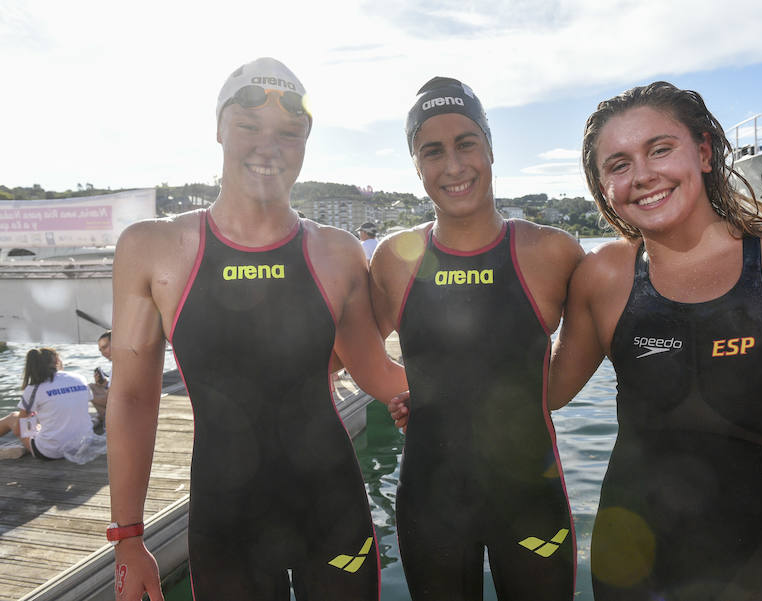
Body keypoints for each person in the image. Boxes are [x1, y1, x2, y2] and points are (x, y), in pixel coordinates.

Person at [549, 81, 762, 600]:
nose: (643, 175)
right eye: (618, 165)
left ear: (705, 152)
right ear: (604, 188)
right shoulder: (603, 276)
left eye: (660, 149)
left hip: (760, 574)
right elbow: (543, 392)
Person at [106, 57, 408, 601]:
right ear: (220, 129)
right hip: (227, 523)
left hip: (332, 509)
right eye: (249, 127)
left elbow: (377, 372)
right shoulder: (153, 249)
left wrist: (480, 397)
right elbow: (130, 397)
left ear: (306, 144)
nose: (268, 147)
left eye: (289, 134)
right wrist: (128, 537)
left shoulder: (335, 252)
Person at [371, 76, 584, 600]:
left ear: (490, 148)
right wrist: (412, 391)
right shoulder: (395, 261)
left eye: (466, 143)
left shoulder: (552, 253)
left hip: (530, 497)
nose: (454, 165)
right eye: (432, 151)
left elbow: (569, 376)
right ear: (416, 166)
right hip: (430, 504)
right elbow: (343, 350)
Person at [0, 347, 94, 460]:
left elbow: (18, 431)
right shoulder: (80, 378)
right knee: (37, 419)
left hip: (51, 452)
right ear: (57, 360)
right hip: (83, 444)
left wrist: (28, 425)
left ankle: (20, 449)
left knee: (13, 418)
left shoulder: (34, 388)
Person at [88, 330, 112, 432]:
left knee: (88, 392)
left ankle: (108, 421)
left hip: (122, 409)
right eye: (100, 350)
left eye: (105, 347)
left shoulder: (119, 366)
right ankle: (102, 417)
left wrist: (86, 396)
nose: (103, 353)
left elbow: (109, 400)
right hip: (121, 404)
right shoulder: (118, 363)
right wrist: (103, 384)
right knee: (92, 386)